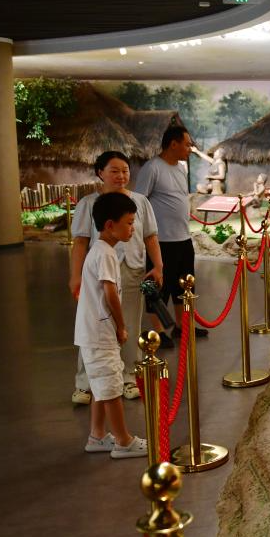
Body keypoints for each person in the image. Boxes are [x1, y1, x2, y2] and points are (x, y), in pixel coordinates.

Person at [69, 151, 163, 404]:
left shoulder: (140, 202)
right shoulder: (88, 204)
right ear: (100, 173)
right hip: (98, 274)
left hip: (132, 270)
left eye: (125, 170)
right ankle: (85, 383)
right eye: (114, 171)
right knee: (95, 325)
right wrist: (75, 276)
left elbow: (151, 236)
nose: (121, 175)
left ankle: (129, 376)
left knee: (130, 323)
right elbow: (80, 242)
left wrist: (158, 266)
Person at [74, 192, 148, 459]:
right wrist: (121, 325)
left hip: (93, 331)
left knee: (101, 385)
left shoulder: (101, 250)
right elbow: (110, 294)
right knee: (112, 388)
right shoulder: (105, 253)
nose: (133, 228)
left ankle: (97, 435)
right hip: (100, 332)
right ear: (109, 225)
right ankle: (123, 440)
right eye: (128, 223)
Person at [133, 125, 208, 342]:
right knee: (157, 287)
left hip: (183, 239)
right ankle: (158, 332)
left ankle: (182, 327)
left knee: (184, 285)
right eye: (187, 144)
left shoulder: (181, 168)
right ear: (173, 144)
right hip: (160, 241)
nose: (190, 149)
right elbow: (139, 202)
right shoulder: (152, 168)